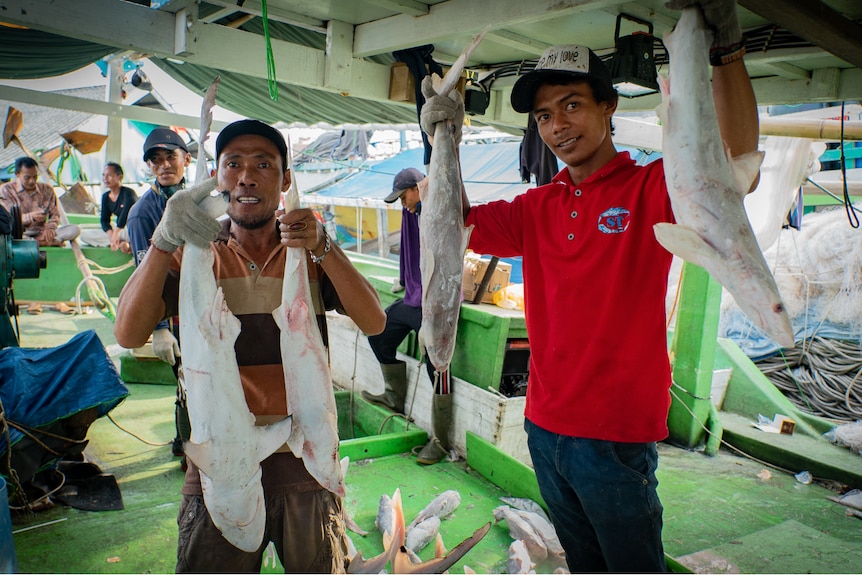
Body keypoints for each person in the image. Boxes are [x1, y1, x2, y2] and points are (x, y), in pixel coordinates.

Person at [419, 0, 757, 571]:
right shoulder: (537, 206)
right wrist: (441, 136)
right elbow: (453, 225)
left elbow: (730, 162)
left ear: (608, 107)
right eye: (545, 116)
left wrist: (724, 52)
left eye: (572, 106)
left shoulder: (652, 188)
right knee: (583, 562)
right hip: (544, 428)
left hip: (615, 436)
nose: (557, 126)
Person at [113, 118, 386, 572]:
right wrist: (163, 241)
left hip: (306, 459)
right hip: (220, 463)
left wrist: (323, 244)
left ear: (285, 180)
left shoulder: (312, 254)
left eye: (264, 163)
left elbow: (374, 321)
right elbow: (127, 333)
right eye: (233, 163)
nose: (246, 175)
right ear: (218, 177)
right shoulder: (195, 253)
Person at [363, 167, 452, 465]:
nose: (403, 203)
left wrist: (437, 310)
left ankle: (440, 442)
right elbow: (408, 254)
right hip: (413, 299)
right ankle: (393, 397)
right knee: (378, 332)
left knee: (437, 366)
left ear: (419, 188)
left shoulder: (433, 210)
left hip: (438, 304)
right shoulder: (410, 212)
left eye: (404, 196)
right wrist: (403, 281)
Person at [125, 127, 193, 464]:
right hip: (175, 314)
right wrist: (159, 327)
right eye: (156, 160)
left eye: (170, 156)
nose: (164, 165)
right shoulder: (143, 213)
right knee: (187, 382)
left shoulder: (199, 200)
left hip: (205, 305)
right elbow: (146, 278)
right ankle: (187, 448)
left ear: (186, 159)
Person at [0, 157, 80, 248]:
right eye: (27, 178)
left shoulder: (46, 189)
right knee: (14, 239)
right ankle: (50, 242)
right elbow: (7, 220)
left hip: (42, 231)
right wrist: (31, 217)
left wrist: (50, 228)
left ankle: (40, 242)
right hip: (21, 233)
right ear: (17, 174)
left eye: (35, 177)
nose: (32, 181)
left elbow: (55, 214)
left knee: (74, 229)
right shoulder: (6, 190)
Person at [99, 162, 137, 253]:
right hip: (117, 233)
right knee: (85, 236)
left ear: (119, 177)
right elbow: (104, 220)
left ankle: (121, 242)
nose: (105, 178)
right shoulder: (105, 196)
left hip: (130, 229)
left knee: (132, 233)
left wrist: (116, 231)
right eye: (103, 175)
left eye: (109, 175)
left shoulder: (129, 193)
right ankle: (120, 243)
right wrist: (111, 234)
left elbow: (126, 213)